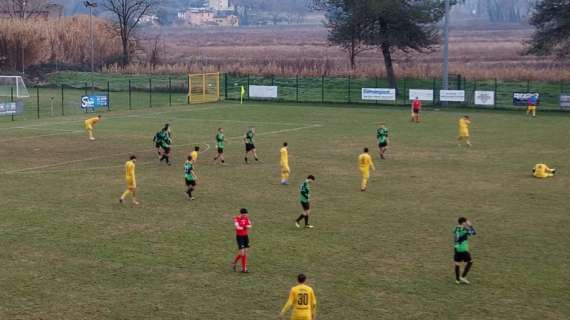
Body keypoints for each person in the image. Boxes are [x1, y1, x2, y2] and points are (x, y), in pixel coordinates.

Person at [453, 217, 476, 284]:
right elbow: (473, 233)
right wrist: (470, 225)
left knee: (457, 263)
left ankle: (457, 280)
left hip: (456, 248)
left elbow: (457, 235)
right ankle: (463, 276)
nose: (466, 223)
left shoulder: (455, 228)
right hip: (463, 249)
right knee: (470, 262)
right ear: (463, 223)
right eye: (466, 222)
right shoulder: (464, 230)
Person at [232, 208, 252, 273]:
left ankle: (244, 269)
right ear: (241, 214)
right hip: (239, 237)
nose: (246, 215)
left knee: (245, 253)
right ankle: (234, 263)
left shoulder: (246, 218)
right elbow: (237, 227)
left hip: (245, 236)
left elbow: (250, 225)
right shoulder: (236, 218)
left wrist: (244, 226)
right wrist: (245, 226)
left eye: (246, 214)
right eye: (244, 214)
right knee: (242, 253)